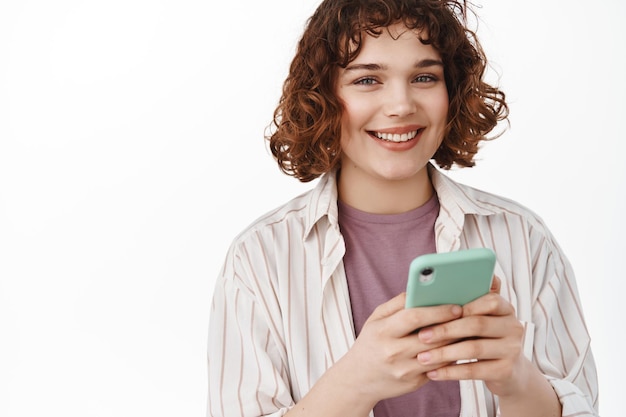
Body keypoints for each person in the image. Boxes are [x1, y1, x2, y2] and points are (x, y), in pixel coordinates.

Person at [207, 0, 599, 416]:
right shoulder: (259, 260)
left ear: (453, 93)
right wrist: (355, 382)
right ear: (323, 96)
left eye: (425, 77)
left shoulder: (523, 238)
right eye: (367, 80)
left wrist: (519, 382)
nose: (401, 105)